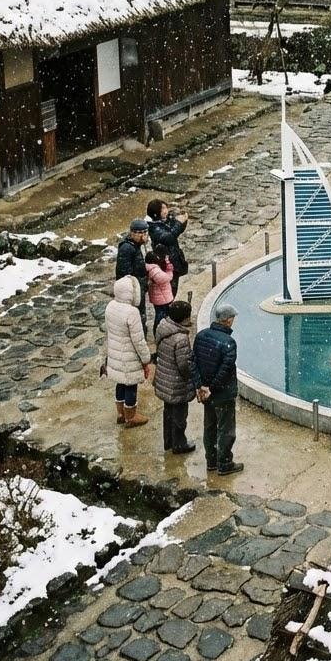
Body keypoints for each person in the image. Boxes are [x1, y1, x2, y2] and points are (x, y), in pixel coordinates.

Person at [193, 302, 243, 476]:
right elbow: (225, 370)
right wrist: (211, 387)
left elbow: (194, 363)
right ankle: (224, 463)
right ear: (228, 321)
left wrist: (200, 386)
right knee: (226, 428)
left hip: (206, 393)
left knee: (210, 426)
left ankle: (211, 461)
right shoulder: (229, 342)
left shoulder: (201, 336)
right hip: (222, 393)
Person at [105, 275, 152, 428]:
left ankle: (120, 413)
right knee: (131, 384)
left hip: (115, 351)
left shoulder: (110, 306)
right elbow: (138, 340)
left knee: (120, 382)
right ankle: (131, 416)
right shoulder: (132, 312)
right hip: (129, 355)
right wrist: (146, 359)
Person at [154, 300, 196, 454]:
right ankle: (179, 444)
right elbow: (184, 365)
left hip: (164, 378)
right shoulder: (180, 339)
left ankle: (168, 441)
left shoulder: (163, 327)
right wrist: (191, 379)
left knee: (168, 412)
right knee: (179, 416)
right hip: (176, 383)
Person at [146, 199, 189, 297]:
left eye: (166, 207)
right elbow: (169, 238)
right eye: (163, 209)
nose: (166, 210)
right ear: (156, 213)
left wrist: (183, 221)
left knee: (173, 288)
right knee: (168, 290)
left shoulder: (165, 221)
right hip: (166, 263)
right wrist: (179, 223)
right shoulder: (154, 228)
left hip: (173, 260)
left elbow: (176, 232)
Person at [116, 219, 149, 327]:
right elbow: (124, 273)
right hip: (133, 289)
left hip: (140, 286)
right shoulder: (127, 248)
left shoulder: (138, 245)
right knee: (136, 317)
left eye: (145, 232)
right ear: (132, 233)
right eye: (140, 233)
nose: (143, 236)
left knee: (141, 314)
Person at [145, 246, 175, 335]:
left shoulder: (151, 268)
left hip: (160, 296)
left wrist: (167, 263)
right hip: (162, 298)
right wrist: (169, 270)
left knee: (161, 315)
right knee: (160, 317)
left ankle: (160, 332)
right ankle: (158, 333)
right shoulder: (155, 271)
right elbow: (167, 278)